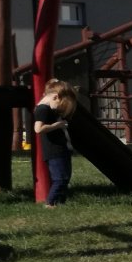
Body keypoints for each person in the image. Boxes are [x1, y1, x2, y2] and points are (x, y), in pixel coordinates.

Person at [33, 78, 77, 207]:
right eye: (61, 105)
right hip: (54, 150)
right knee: (60, 178)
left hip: (61, 148)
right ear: (55, 97)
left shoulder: (49, 109)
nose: (60, 109)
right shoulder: (42, 109)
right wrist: (57, 125)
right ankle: (50, 203)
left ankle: (60, 202)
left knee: (65, 177)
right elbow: (38, 129)